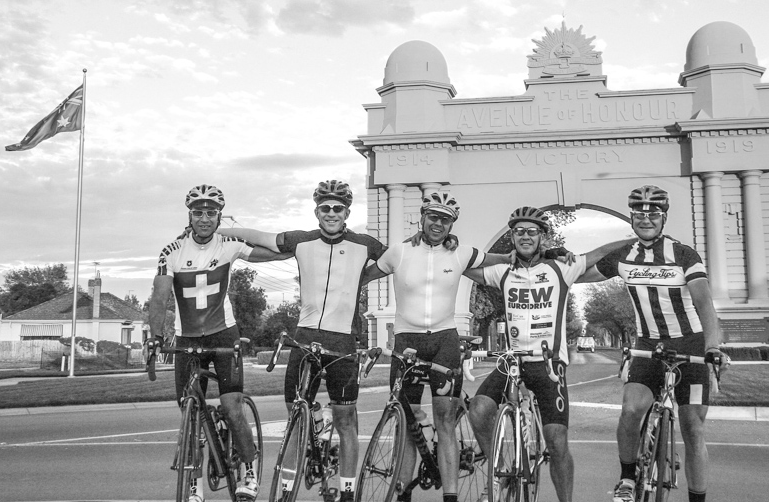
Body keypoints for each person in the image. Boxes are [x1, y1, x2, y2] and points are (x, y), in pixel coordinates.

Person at [217, 180, 386, 502]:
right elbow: (260, 237)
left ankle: (348, 491)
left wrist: (367, 275)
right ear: (317, 211)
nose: (332, 213)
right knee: (295, 418)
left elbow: (400, 260)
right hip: (304, 338)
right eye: (326, 208)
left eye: (338, 208)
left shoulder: (365, 244)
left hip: (343, 341)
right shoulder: (303, 241)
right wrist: (220, 233)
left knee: (346, 419)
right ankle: (283, 493)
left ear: (347, 212)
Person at [362, 192, 530, 502]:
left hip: (444, 341)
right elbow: (360, 277)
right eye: (433, 216)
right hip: (407, 341)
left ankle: (450, 496)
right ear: (422, 217)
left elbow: (507, 259)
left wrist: (548, 255)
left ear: (452, 224)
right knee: (406, 419)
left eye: (446, 219)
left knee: (445, 420)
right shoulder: (397, 253)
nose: (438, 223)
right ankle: (402, 494)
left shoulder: (462, 254)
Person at [463, 206, 629, 502]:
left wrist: (635, 239)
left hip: (549, 364)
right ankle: (498, 471)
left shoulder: (560, 268)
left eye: (532, 231)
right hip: (511, 361)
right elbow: (460, 263)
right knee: (477, 409)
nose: (525, 237)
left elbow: (600, 253)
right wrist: (461, 247)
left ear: (543, 237)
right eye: (518, 231)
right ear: (512, 236)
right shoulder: (503, 271)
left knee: (556, 441)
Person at [578, 185, 728, 502]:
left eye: (653, 214)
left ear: (664, 217)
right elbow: (579, 273)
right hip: (648, 346)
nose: (646, 219)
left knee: (693, 430)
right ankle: (627, 479)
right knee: (631, 409)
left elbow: (705, 305)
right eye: (639, 214)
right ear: (632, 217)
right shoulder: (625, 256)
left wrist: (713, 347)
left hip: (692, 346)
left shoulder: (684, 255)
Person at [147, 185, 288, 502]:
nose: (205, 218)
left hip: (224, 335)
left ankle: (249, 471)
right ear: (190, 216)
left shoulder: (228, 245)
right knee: (189, 413)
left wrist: (301, 247)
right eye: (199, 212)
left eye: (211, 212)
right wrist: (155, 337)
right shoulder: (171, 252)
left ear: (219, 216)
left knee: (231, 407)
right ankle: (193, 486)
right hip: (187, 339)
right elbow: (159, 297)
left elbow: (273, 252)